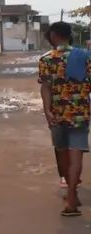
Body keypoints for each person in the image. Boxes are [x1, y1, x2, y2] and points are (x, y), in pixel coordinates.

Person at [38, 21, 88, 216]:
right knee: (76, 156)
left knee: (62, 153)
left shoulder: (47, 59)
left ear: (54, 36)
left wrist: (47, 111)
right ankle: (72, 197)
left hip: (57, 115)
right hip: (80, 114)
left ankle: (70, 192)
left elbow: (46, 87)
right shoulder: (84, 57)